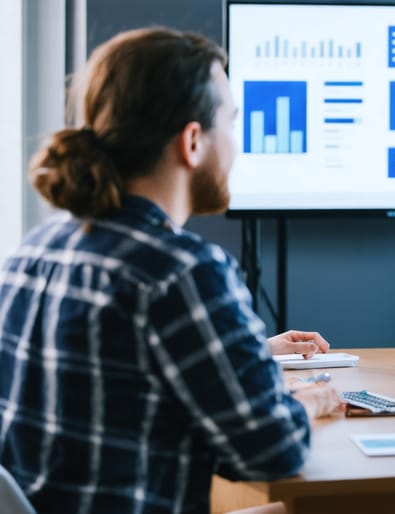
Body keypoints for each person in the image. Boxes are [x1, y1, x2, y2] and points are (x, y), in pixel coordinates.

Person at [0, 27, 343, 513]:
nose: (238, 143)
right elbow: (273, 450)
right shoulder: (181, 272)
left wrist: (250, 355)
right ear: (192, 141)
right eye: (233, 121)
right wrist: (314, 400)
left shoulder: (32, 251)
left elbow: (108, 370)